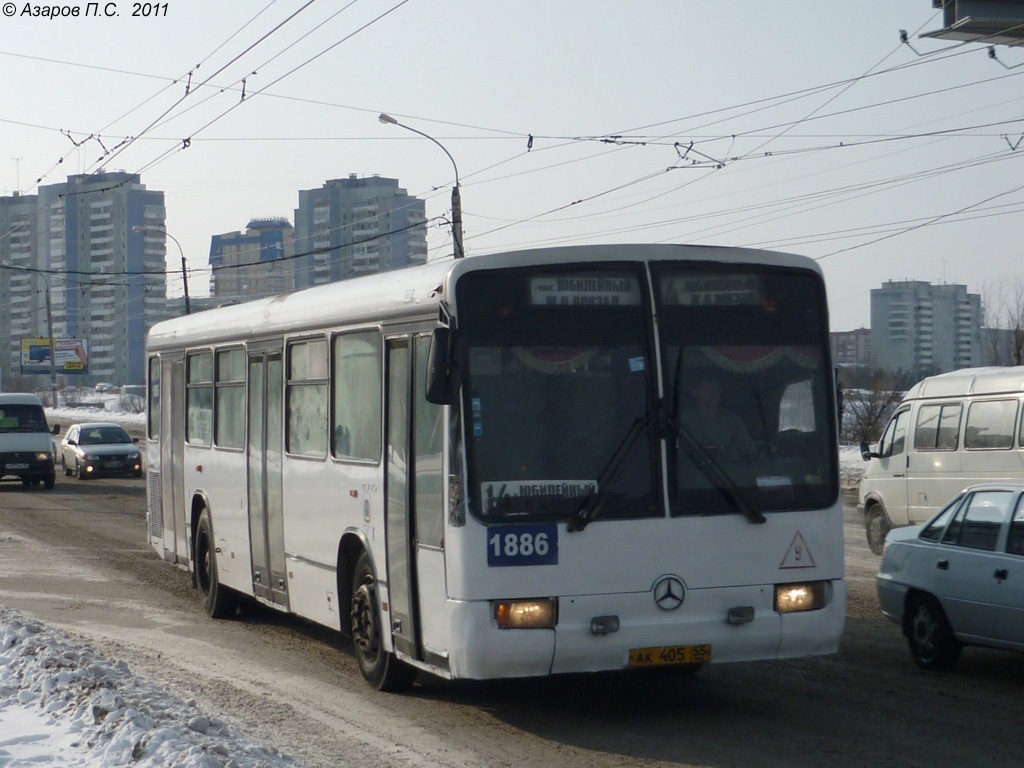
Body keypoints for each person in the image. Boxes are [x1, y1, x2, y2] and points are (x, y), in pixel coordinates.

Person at [680, 376, 753, 458]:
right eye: (707, 388)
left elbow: (748, 449)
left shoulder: (732, 419)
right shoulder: (685, 420)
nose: (712, 392)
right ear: (695, 393)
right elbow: (681, 453)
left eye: (716, 388)